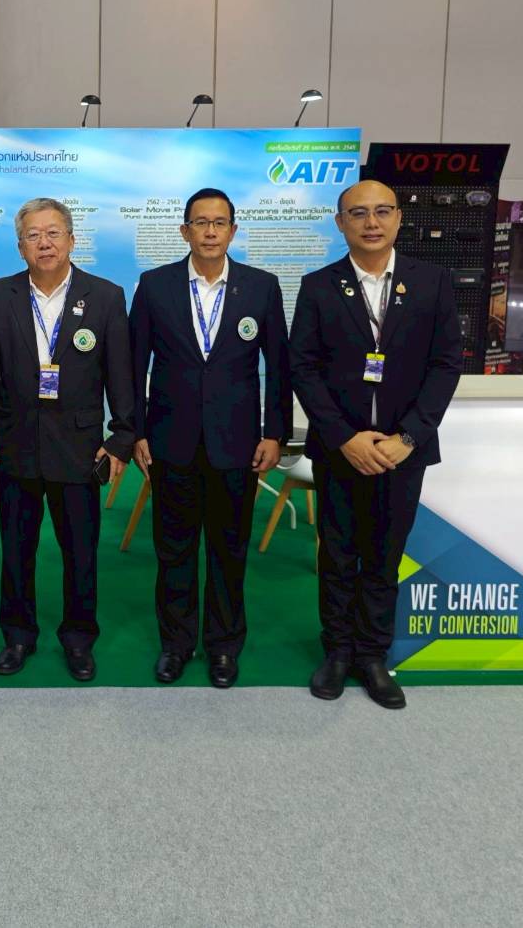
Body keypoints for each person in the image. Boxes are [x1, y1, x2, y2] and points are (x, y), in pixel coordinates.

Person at [289, 179, 461, 709]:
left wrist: (409, 437)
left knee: (384, 557)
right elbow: (303, 367)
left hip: (401, 451)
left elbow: (446, 365)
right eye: (358, 213)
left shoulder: (431, 283)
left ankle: (372, 656)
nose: (371, 222)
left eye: (382, 211)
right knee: (338, 555)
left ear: (399, 218)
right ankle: (338, 652)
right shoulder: (319, 286)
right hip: (341, 450)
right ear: (340, 222)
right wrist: (344, 437)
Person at [129, 188, 292, 689]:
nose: (210, 231)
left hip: (236, 443)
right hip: (170, 440)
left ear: (233, 231)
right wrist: (135, 431)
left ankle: (223, 646)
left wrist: (275, 433)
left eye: (220, 223)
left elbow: (279, 367)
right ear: (185, 231)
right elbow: (134, 366)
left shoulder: (261, 287)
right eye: (200, 222)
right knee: (174, 550)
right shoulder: (154, 286)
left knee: (229, 549)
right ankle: (176, 645)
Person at [0, 198, 134, 682]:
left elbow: (121, 374)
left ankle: (79, 638)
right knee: (16, 550)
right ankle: (18, 635)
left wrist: (121, 437)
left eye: (53, 233)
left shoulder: (105, 296)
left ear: (71, 239)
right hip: (16, 445)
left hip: (80, 447)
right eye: (33, 235)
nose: (43, 243)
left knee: (80, 552)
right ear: (19, 246)